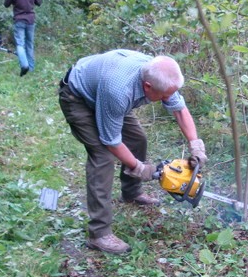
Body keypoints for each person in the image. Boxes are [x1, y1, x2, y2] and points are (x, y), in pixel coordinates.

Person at [58, 50, 208, 255]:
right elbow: (111, 141)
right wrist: (139, 168)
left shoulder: (159, 74)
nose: (168, 98)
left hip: (105, 95)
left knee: (137, 139)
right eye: (164, 96)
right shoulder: (118, 91)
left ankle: (132, 192)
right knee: (102, 157)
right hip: (78, 96)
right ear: (147, 86)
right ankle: (99, 233)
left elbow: (179, 109)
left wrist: (196, 146)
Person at [4, 0, 41, 76]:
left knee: (20, 44)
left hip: (19, 19)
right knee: (30, 44)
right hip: (30, 19)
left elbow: (6, 4)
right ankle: (31, 68)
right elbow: (39, 2)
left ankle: (24, 65)